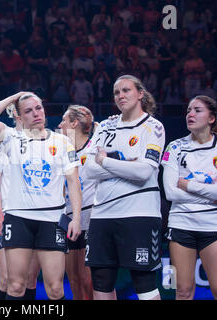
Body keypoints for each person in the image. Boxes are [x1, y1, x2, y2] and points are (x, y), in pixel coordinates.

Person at [0, 91, 82, 300]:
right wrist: (14, 97)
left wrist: (77, 219)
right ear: (19, 116)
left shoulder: (63, 142)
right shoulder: (10, 138)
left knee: (55, 289)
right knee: (16, 285)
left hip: (52, 220)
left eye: (38, 108)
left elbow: (73, 183)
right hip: (18, 218)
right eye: (28, 110)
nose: (36, 113)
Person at [84, 75, 165, 300]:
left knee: (144, 282)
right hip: (101, 215)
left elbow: (144, 172)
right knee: (101, 282)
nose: (121, 95)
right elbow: (88, 170)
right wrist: (126, 162)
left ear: (140, 94)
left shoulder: (153, 127)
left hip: (139, 214)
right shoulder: (106, 125)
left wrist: (106, 161)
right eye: (117, 92)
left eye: (126, 90)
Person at [161, 95, 217, 300]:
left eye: (197, 110)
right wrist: (213, 197)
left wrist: (189, 185)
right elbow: (171, 193)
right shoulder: (175, 147)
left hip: (213, 226)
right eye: (188, 110)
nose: (190, 114)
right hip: (181, 226)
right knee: (183, 292)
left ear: (211, 118)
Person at [0, 104, 40, 300]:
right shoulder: (1, 139)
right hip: (9, 215)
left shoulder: (42, 140)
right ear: (16, 113)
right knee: (7, 278)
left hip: (37, 215)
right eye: (25, 109)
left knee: (31, 279)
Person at [58, 105, 97, 300]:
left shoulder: (94, 148)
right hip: (68, 219)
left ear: (74, 123)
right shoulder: (61, 152)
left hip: (91, 216)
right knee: (73, 278)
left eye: (64, 120)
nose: (59, 124)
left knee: (88, 279)